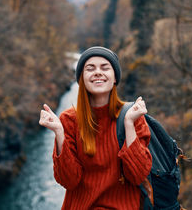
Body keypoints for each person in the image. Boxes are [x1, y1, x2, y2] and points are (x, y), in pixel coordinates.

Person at [39, 46, 152, 210]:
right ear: (81, 79)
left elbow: (138, 176)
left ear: (114, 78)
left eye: (105, 68)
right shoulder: (68, 120)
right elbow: (69, 181)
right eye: (90, 69)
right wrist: (59, 133)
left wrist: (128, 125)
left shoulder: (133, 116)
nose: (98, 72)